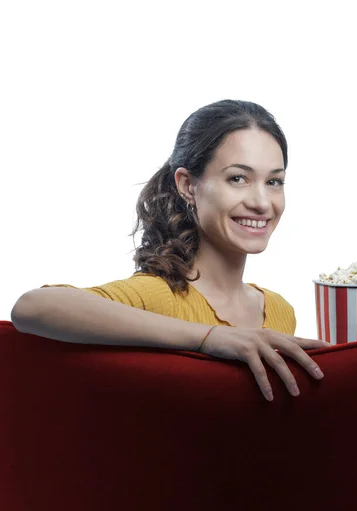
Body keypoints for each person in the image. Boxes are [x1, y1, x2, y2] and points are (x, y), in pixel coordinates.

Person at [10, 99, 331, 402]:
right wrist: (208, 338)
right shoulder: (159, 296)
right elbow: (32, 307)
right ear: (187, 185)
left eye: (274, 182)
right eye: (237, 178)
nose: (262, 202)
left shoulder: (279, 311)